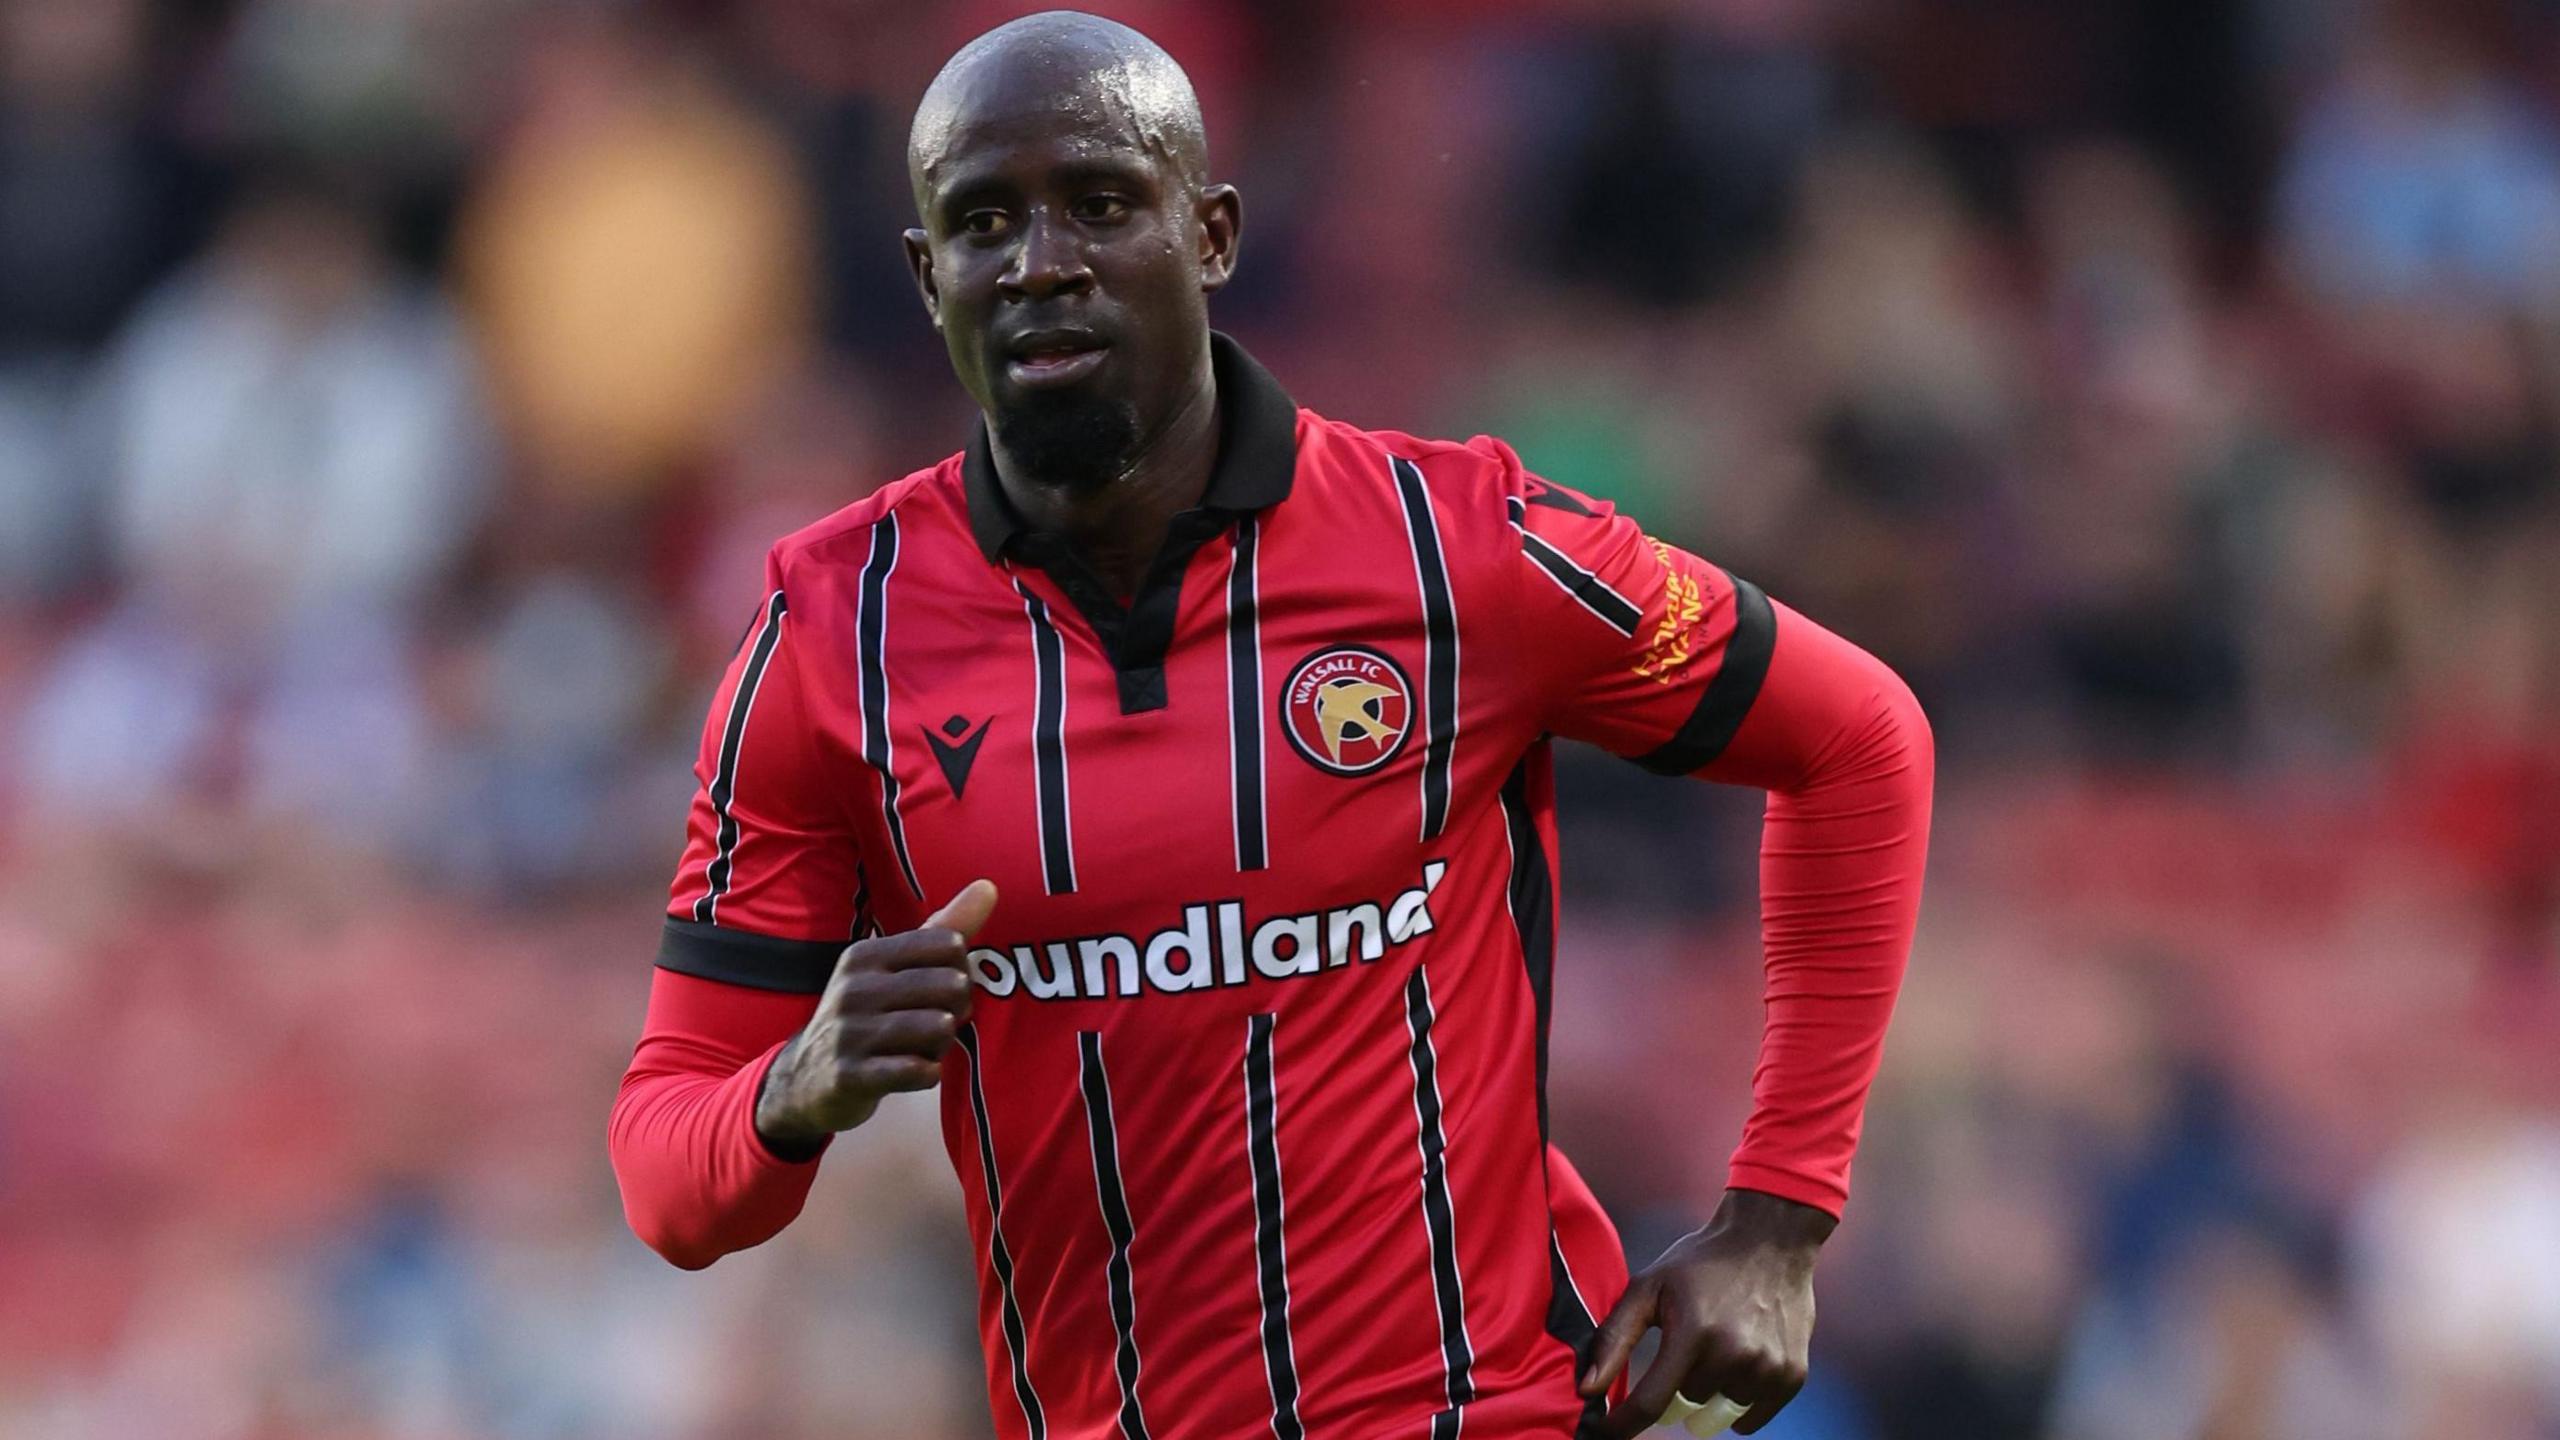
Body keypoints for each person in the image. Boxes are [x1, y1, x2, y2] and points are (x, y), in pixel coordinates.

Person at [607, 14, 1932, 1440]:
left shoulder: (1459, 544)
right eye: (984, 223)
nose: (1042, 262)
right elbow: (665, 1170)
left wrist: (1780, 1220)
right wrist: (792, 1093)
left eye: (1102, 204)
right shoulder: (828, 637)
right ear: (931, 280)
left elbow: (1859, 738)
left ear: (1214, 235)